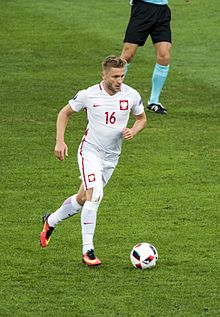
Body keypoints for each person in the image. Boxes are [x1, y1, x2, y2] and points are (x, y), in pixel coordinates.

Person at [40, 55, 147, 266]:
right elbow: (64, 113)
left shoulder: (131, 95)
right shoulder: (88, 95)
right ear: (104, 74)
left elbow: (142, 119)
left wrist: (133, 131)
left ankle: (50, 221)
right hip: (90, 152)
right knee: (95, 195)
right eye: (115, 76)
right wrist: (60, 141)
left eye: (122, 76)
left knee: (82, 199)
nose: (119, 80)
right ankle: (87, 250)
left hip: (112, 157)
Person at [121, 0, 172, 114]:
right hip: (143, 8)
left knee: (164, 56)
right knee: (127, 55)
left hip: (162, 11)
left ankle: (153, 101)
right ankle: (109, 94)